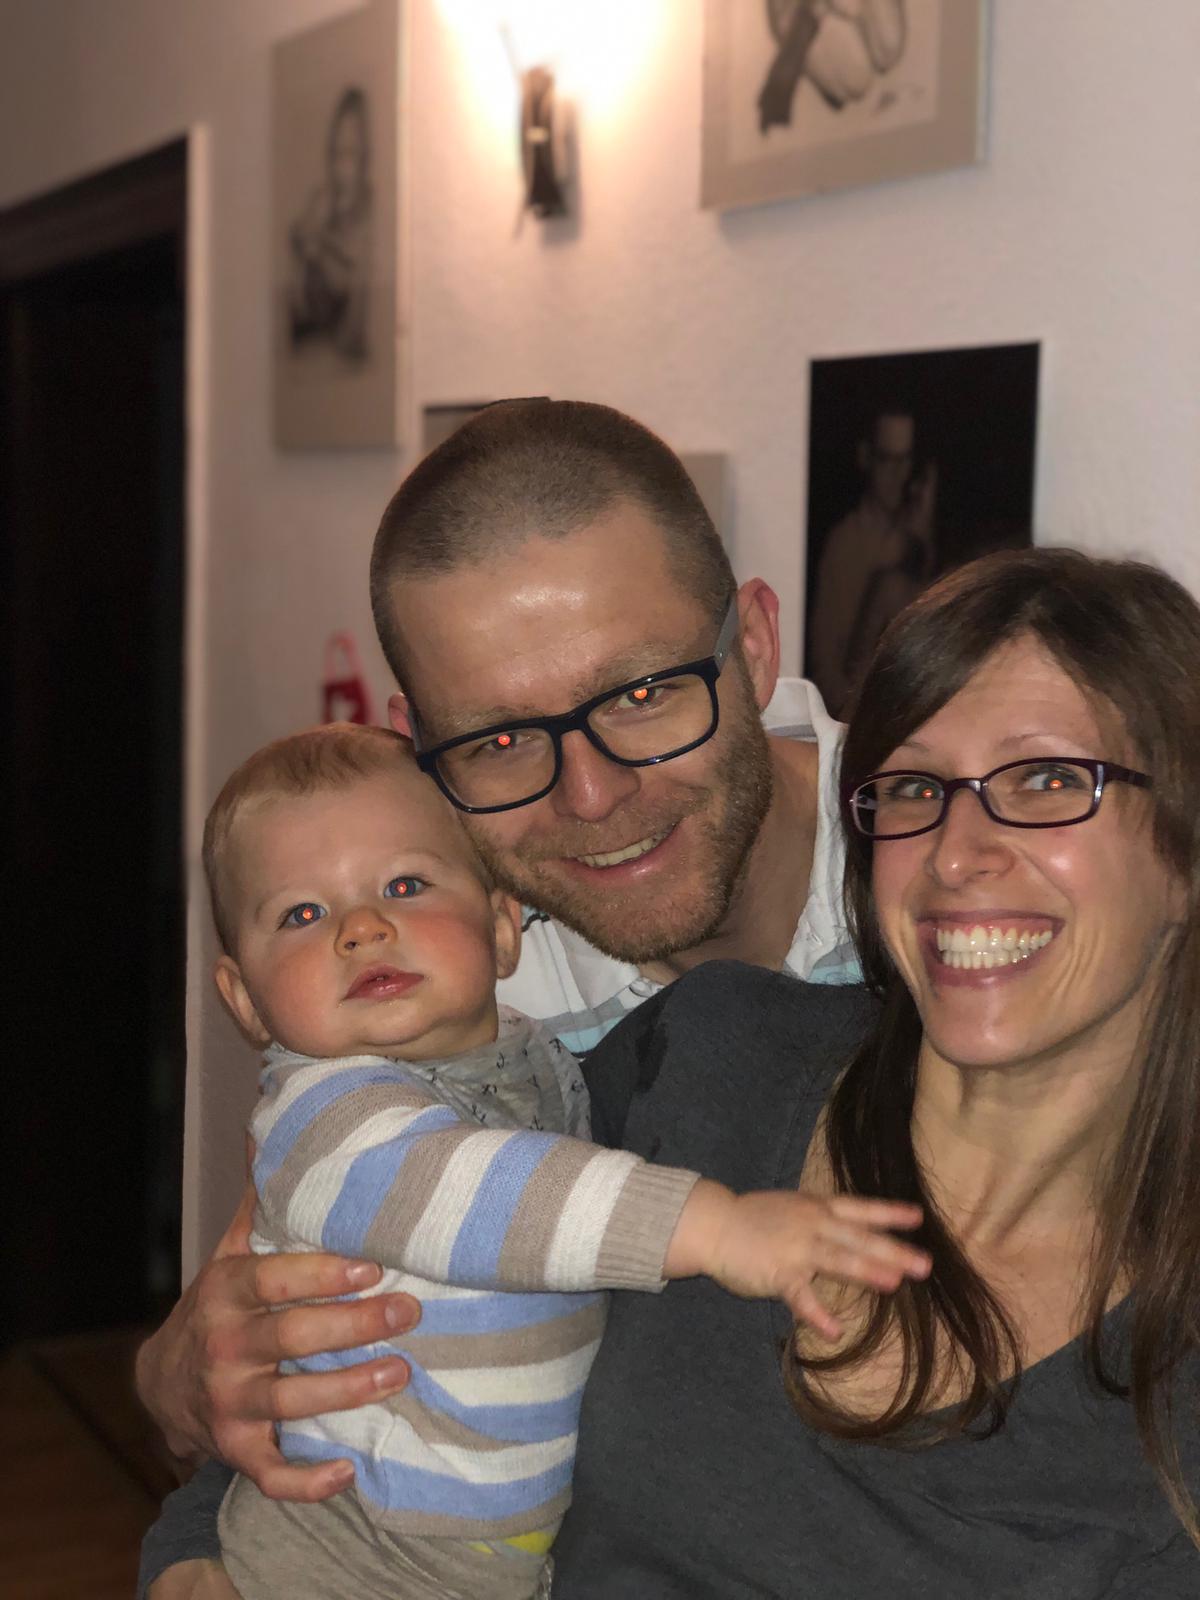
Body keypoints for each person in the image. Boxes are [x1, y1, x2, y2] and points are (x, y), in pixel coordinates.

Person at [548, 546, 1200, 1593]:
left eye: (1045, 780)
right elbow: (411, 1206)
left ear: (1183, 855)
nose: (955, 850)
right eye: (913, 787)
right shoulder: (717, 1057)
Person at [200, 721, 927, 1600]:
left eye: (404, 885)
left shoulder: (533, 1059)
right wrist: (716, 1226)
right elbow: (484, 1194)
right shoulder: (323, 1117)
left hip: (498, 1555)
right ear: (245, 998)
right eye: (302, 914)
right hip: (354, 1547)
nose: (361, 929)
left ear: (501, 928)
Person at [807, 404, 936, 716]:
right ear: (866, 458)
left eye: (905, 461)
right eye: (888, 461)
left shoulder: (918, 533)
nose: (898, 475)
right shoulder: (845, 542)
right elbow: (825, 662)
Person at [288, 86, 372, 362]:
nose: (340, 168)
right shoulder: (321, 204)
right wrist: (305, 254)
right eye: (335, 154)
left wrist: (324, 248)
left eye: (349, 154)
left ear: (365, 156)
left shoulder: (369, 214)